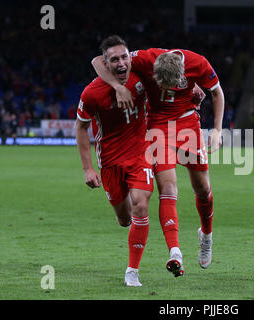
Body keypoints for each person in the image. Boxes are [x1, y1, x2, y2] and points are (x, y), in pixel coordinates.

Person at [91, 47, 225, 277]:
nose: (162, 88)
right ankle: (175, 251)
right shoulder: (144, 58)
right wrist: (118, 86)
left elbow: (217, 93)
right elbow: (97, 60)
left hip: (187, 124)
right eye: (159, 83)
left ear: (183, 76)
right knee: (168, 187)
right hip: (156, 127)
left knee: (202, 189)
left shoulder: (199, 63)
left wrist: (217, 130)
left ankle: (206, 236)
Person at [76, 35, 154, 286]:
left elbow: (170, 72)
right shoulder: (92, 93)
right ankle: (134, 228)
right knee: (124, 219)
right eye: (114, 59)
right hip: (110, 162)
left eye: (124, 57)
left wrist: (192, 86)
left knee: (141, 205)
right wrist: (88, 168)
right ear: (105, 63)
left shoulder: (140, 74)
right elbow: (81, 127)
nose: (121, 63)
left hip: (141, 152)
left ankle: (132, 270)